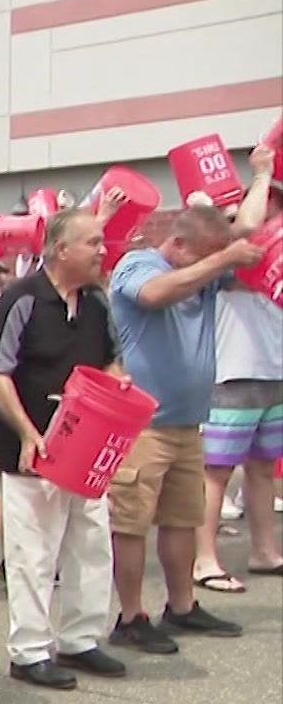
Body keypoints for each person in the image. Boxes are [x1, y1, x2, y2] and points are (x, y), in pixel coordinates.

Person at [0, 208, 129, 690]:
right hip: (31, 447)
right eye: (94, 244)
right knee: (34, 552)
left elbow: (111, 363)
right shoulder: (21, 299)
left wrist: (117, 394)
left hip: (85, 447)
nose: (103, 251)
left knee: (91, 541)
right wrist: (25, 432)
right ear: (62, 250)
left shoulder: (96, 304)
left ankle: (81, 639)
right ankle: (29, 650)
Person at [105, 205, 263, 652]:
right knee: (132, 523)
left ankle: (182, 605)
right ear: (177, 245)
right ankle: (132, 615)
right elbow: (154, 295)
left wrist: (263, 169)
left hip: (187, 422)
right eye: (203, 258)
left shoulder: (202, 268)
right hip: (143, 426)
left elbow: (249, 226)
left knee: (182, 519)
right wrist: (224, 259)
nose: (212, 270)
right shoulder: (139, 265)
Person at [195, 153, 282, 589]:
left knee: (264, 466)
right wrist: (261, 174)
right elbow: (243, 229)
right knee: (217, 470)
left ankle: (265, 550)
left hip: (274, 372)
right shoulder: (233, 254)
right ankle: (204, 558)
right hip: (233, 374)